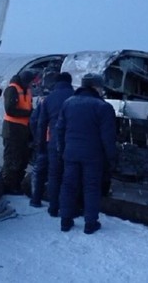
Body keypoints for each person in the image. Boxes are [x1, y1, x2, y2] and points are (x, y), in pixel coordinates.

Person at [56, 73, 116, 234]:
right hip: (93, 155)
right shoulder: (103, 107)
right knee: (91, 187)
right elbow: (108, 137)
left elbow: (59, 129)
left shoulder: (68, 103)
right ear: (95, 87)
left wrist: (62, 150)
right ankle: (90, 223)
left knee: (68, 186)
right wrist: (112, 158)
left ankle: (65, 220)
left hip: (70, 153)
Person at [36, 72, 74, 215]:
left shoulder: (49, 99)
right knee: (70, 177)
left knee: (54, 176)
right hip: (71, 143)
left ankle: (53, 207)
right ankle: (69, 208)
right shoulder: (75, 97)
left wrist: (40, 145)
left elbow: (41, 123)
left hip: (53, 142)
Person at [0, 70, 35, 194]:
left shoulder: (26, 90)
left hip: (23, 130)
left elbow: (27, 106)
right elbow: (10, 110)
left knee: (22, 159)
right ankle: (9, 186)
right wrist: (30, 114)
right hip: (12, 130)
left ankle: (17, 184)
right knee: (11, 159)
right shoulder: (12, 90)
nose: (31, 85)